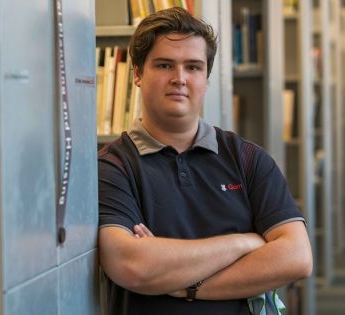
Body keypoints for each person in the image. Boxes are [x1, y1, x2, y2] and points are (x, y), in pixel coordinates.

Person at [98, 7, 312, 315]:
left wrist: (184, 285)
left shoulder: (248, 159)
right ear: (138, 74)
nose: (180, 79)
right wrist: (244, 244)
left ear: (206, 80)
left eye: (194, 67)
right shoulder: (112, 167)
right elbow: (132, 265)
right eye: (164, 65)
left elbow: (297, 257)